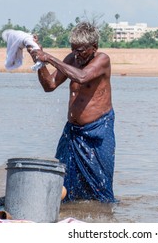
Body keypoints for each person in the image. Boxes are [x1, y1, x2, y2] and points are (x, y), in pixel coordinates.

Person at [27, 22, 116, 203]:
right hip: (73, 132)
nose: (77, 55)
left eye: (81, 51)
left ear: (94, 47)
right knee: (61, 178)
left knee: (99, 183)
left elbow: (81, 77)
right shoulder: (72, 59)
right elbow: (49, 85)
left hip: (97, 131)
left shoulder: (102, 60)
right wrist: (38, 60)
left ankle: (103, 217)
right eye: (74, 50)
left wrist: (49, 58)